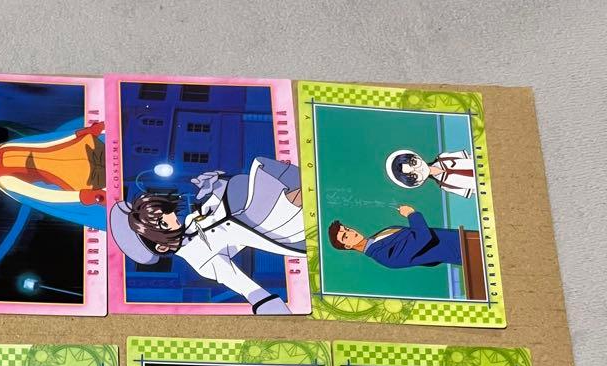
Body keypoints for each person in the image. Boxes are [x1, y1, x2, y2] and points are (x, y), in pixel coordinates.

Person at [110, 158, 305, 313]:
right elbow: (245, 286)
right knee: (284, 196)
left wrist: (214, 186)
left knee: (279, 181)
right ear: (161, 246)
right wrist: (272, 311)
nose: (170, 215)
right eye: (162, 222)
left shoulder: (191, 221)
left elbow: (218, 203)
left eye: (164, 212)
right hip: (270, 225)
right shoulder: (201, 260)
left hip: (251, 204)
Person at [328, 205, 463, 270]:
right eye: (345, 236)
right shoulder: (384, 256)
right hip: (459, 250)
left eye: (347, 229)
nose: (351, 232)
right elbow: (422, 237)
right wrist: (411, 214)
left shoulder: (377, 238)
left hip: (456, 238)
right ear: (348, 246)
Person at [385, 148, 476, 199]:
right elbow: (474, 191)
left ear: (416, 157)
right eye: (414, 175)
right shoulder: (445, 185)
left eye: (414, 163)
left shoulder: (443, 157)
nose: (419, 169)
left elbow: (473, 156)